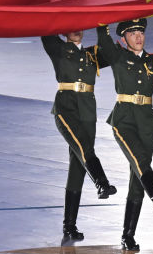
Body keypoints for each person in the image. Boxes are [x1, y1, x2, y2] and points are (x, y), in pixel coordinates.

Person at [96, 19, 153, 252]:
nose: (138, 37)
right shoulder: (117, 56)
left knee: (138, 178)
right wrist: (104, 16)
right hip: (123, 120)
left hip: (146, 122)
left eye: (141, 32)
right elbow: (103, 38)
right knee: (141, 162)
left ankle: (128, 236)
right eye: (132, 33)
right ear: (123, 38)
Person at [41, 30, 117, 242]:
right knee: (85, 149)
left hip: (87, 112)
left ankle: (69, 226)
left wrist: (102, 26)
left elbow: (112, 54)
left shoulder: (91, 54)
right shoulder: (58, 49)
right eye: (72, 27)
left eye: (80, 26)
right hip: (66, 109)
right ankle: (101, 182)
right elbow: (45, 30)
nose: (76, 30)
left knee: (78, 168)